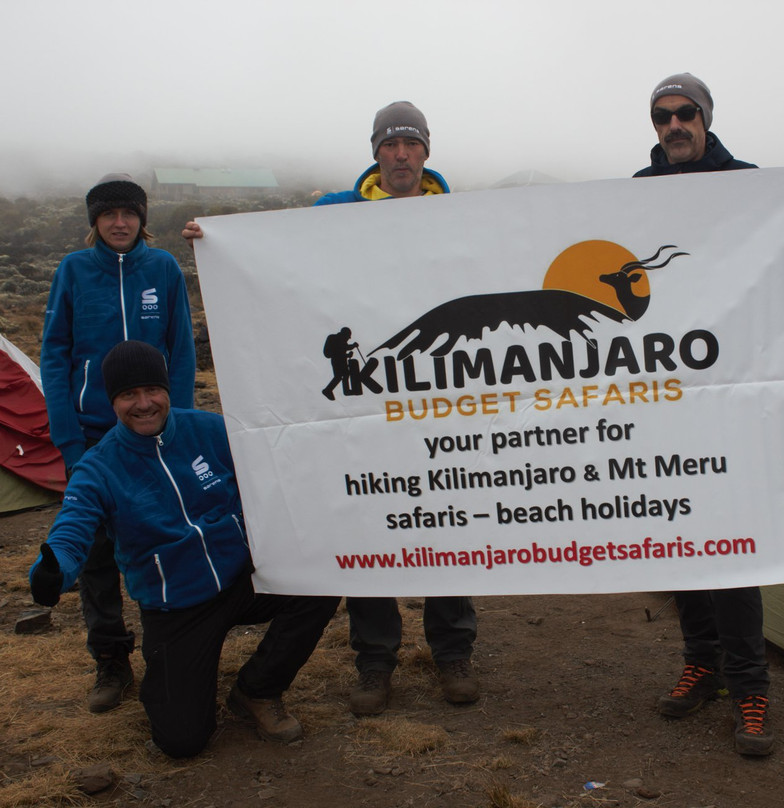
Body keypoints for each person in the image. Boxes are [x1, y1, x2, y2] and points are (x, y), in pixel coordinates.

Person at [183, 102, 478, 717]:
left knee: (450, 519)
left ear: (427, 152)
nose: (400, 154)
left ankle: (452, 652)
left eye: (411, 144)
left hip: (440, 396)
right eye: (390, 144)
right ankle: (375, 661)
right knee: (370, 519)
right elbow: (272, 257)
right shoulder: (332, 213)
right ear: (376, 152)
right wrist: (216, 241)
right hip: (365, 397)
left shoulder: (462, 214)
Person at [634, 73, 784, 757]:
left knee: (733, 543)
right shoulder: (636, 194)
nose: (674, 125)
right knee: (680, 539)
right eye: (662, 116)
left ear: (706, 118)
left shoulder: (752, 185)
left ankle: (750, 684)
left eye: (686, 113)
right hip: (664, 395)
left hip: (735, 395)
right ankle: (700, 660)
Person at [29, 341, 339, 758]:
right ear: (112, 401)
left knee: (319, 580)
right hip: (177, 605)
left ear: (167, 390)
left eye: (151, 391)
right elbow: (72, 528)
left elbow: (276, 471)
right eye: (128, 395)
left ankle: (257, 690)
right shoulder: (99, 468)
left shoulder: (209, 431)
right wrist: (54, 569)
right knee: (182, 740)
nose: (143, 404)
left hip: (244, 577)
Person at [40, 173, 196, 713]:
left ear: (143, 218)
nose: (120, 223)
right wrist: (67, 440)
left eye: (129, 214)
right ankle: (110, 660)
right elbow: (54, 354)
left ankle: (170, 647)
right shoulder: (75, 271)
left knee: (164, 538)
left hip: (156, 430)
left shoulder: (165, 269)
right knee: (98, 555)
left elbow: (180, 349)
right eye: (109, 215)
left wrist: (185, 425)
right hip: (91, 432)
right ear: (95, 222)